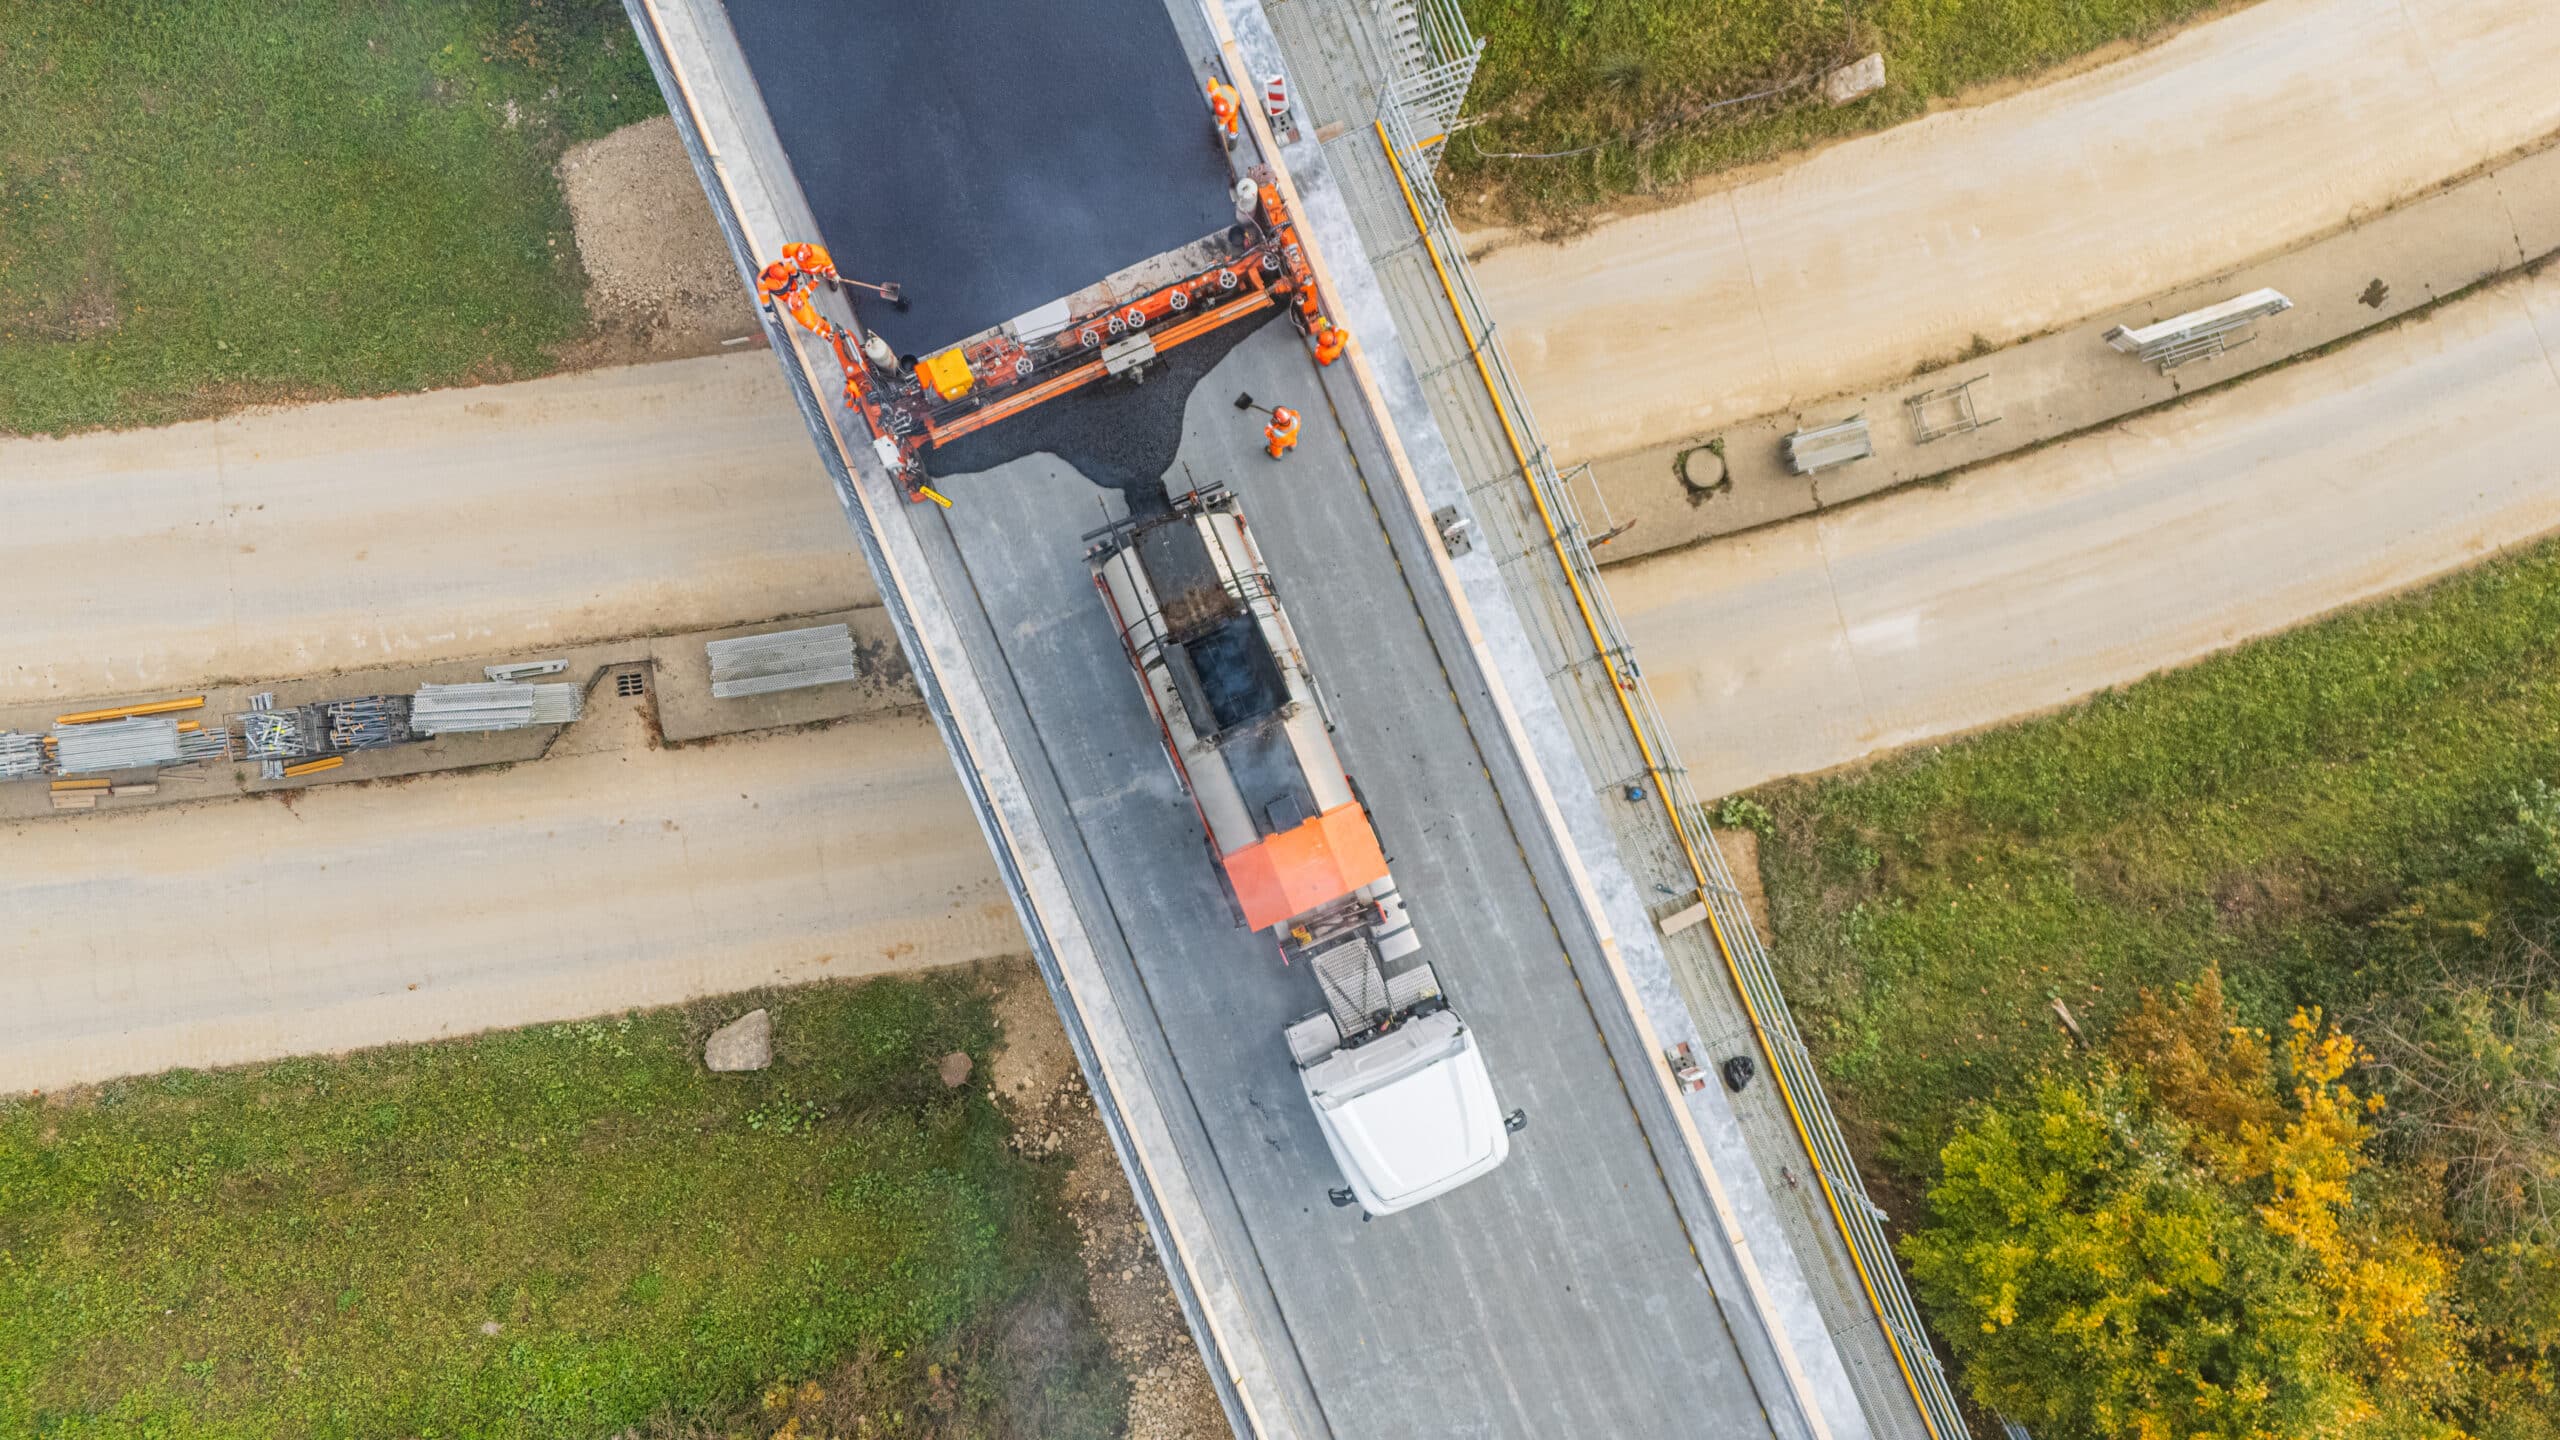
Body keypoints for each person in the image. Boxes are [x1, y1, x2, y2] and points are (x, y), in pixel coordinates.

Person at [1205, 77, 1240, 147]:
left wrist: (1222, 125)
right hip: (1225, 91)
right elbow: (1211, 81)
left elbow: (1225, 118)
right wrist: (1209, 92)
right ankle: (1215, 110)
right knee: (1217, 107)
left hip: (1235, 99)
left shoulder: (1231, 110)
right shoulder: (1216, 93)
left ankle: (1233, 139)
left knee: (1232, 122)